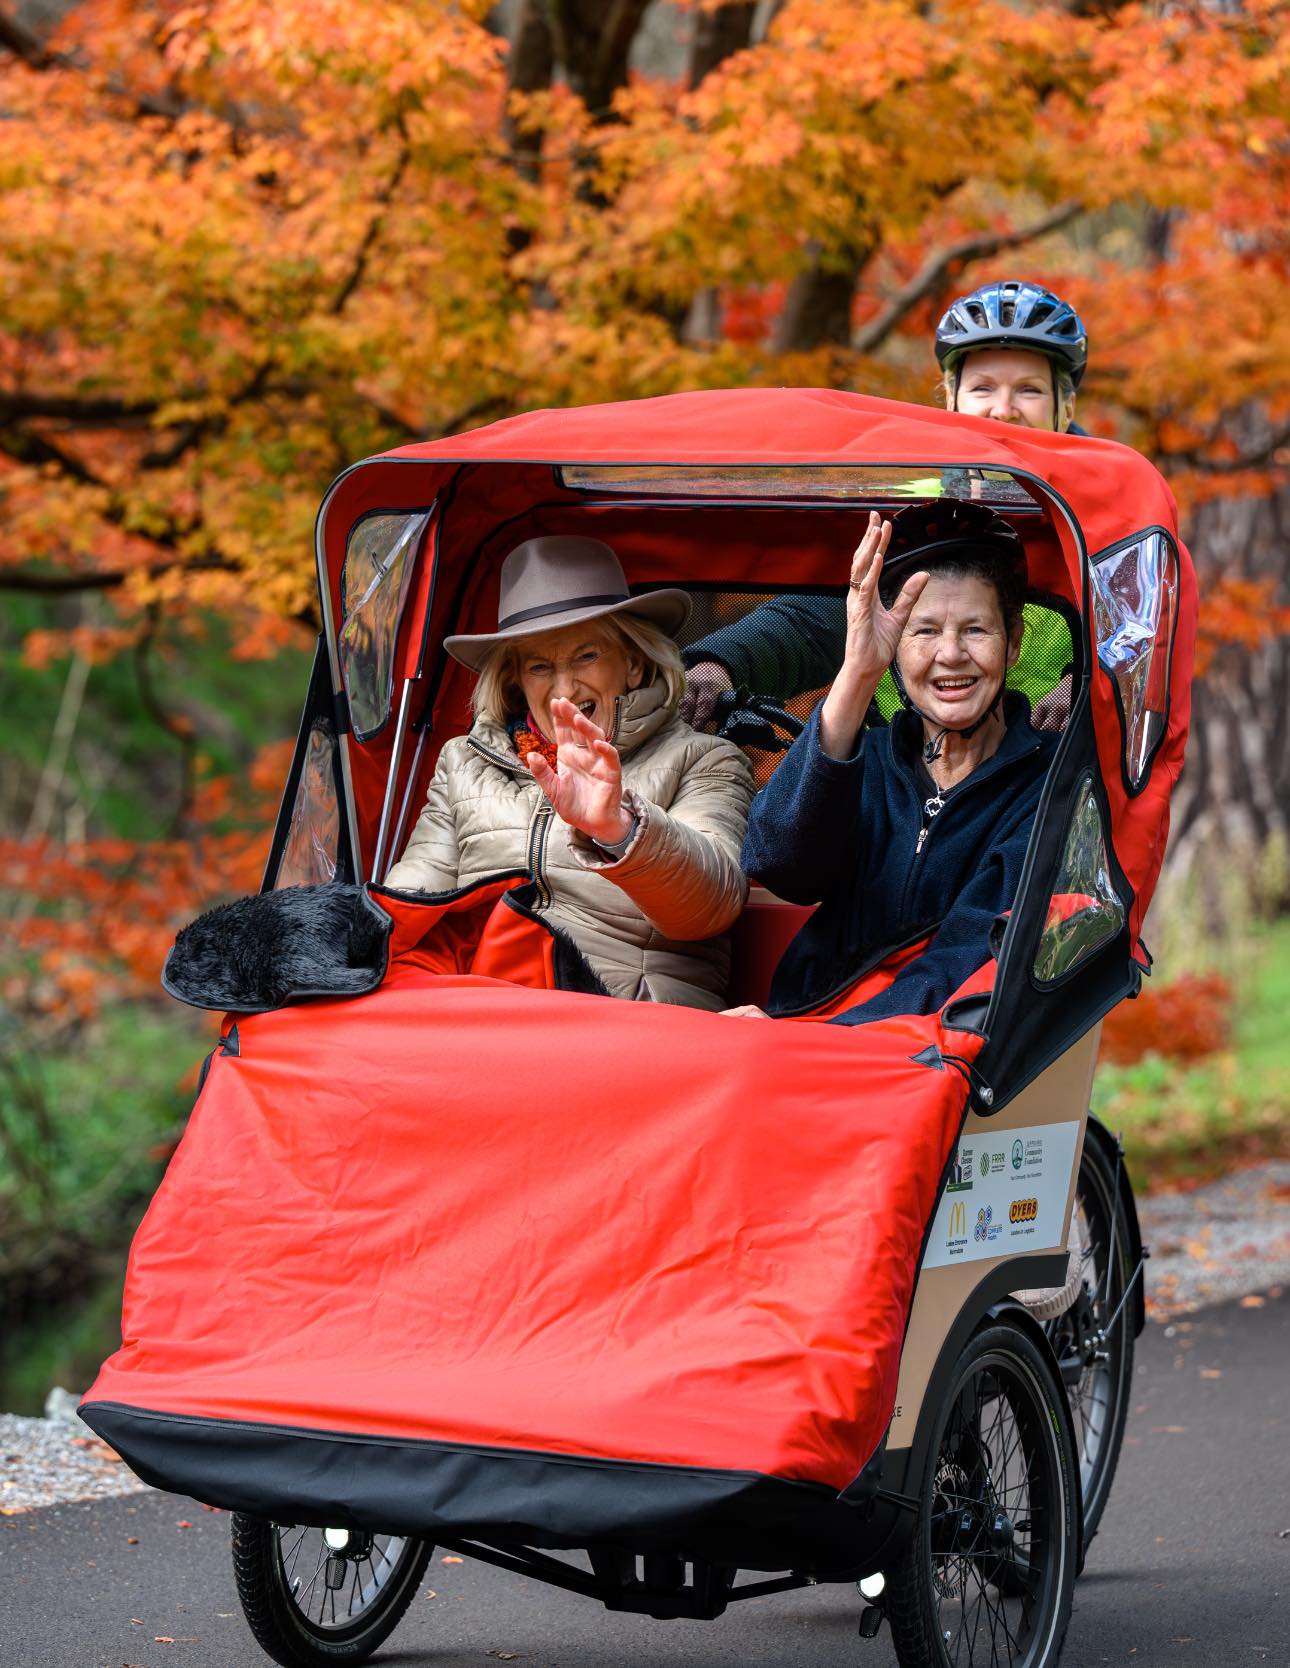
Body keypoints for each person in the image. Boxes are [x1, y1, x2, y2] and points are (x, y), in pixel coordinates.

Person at [680, 279, 1088, 727]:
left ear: (1064, 407)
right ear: (950, 400)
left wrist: (1082, 686)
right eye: (983, 388)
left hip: (1057, 767)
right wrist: (722, 664)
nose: (1003, 410)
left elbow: (1133, 634)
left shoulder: (1098, 510)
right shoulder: (908, 501)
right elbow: (821, 611)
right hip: (908, 767)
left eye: (1029, 390)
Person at [383, 535, 755, 1010]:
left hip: (631, 1018)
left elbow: (710, 908)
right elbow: (412, 898)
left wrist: (619, 830)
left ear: (635, 664)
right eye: (540, 666)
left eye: (586, 655)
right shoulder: (465, 761)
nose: (563, 687)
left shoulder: (705, 758)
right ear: (516, 679)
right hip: (489, 1013)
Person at [721, 504, 1058, 1027]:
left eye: (975, 630)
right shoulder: (871, 757)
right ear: (895, 651)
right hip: (804, 1026)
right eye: (923, 632)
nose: (950, 654)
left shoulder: (1045, 784)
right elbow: (781, 866)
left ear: (1012, 642)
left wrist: (815, 1045)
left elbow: (964, 963)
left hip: (927, 1057)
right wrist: (856, 673)